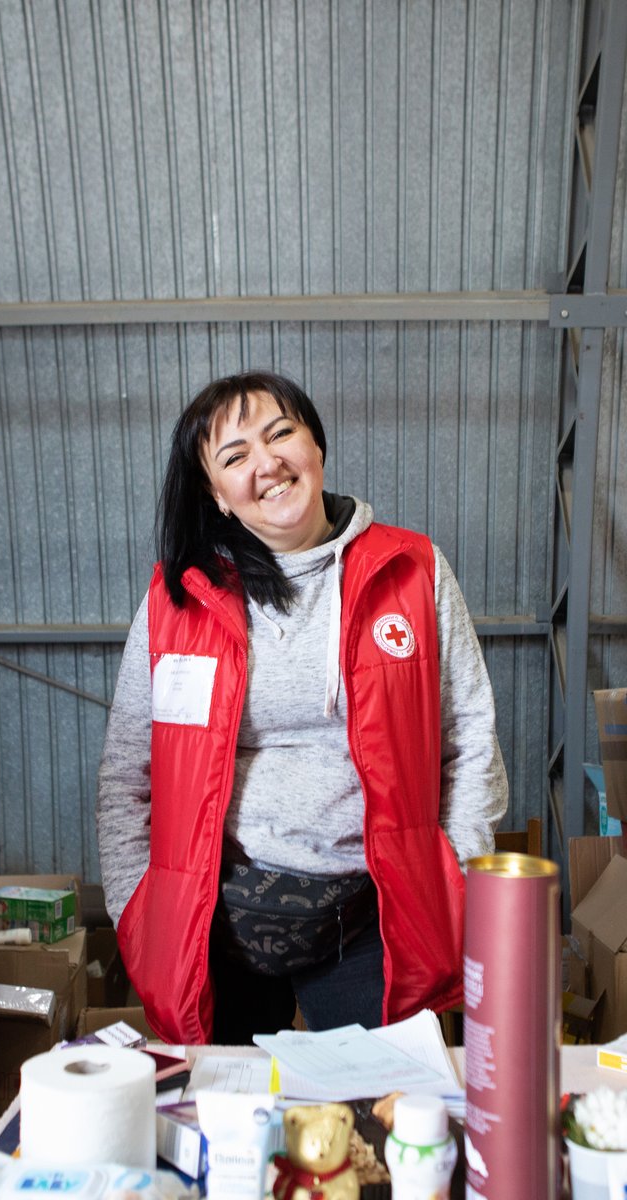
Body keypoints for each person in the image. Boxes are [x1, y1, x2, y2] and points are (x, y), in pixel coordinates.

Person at [96, 370, 508, 1046]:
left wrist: (453, 881)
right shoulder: (178, 601)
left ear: (315, 443)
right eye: (235, 457)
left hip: (373, 926)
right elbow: (125, 772)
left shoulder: (413, 570)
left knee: (382, 1119)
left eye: (281, 433)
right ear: (216, 495)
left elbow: (470, 737)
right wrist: (135, 906)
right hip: (212, 932)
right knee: (225, 1128)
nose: (268, 464)